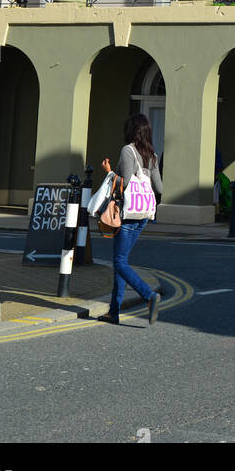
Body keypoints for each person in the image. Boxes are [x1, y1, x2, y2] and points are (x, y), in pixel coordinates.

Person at [98, 113, 164, 325]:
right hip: (143, 215)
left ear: (131, 131)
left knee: (119, 262)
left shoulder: (128, 150)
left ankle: (148, 295)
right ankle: (114, 312)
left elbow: (124, 184)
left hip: (127, 214)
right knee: (121, 261)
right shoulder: (152, 155)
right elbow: (160, 188)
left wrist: (109, 172)